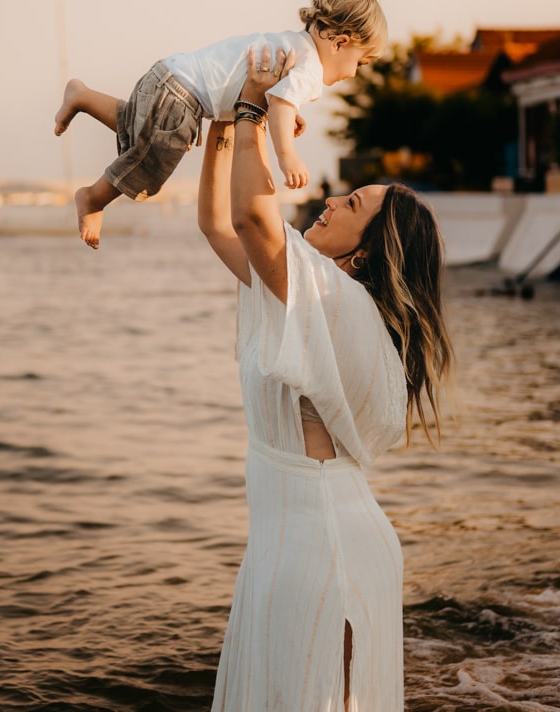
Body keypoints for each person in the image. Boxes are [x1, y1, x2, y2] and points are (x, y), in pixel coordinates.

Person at [197, 46, 454, 711]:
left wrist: (255, 109)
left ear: (365, 250)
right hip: (292, 541)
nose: (333, 201)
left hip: (321, 546)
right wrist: (225, 125)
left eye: (354, 203)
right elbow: (219, 224)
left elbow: (256, 218)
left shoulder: (332, 304)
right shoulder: (303, 298)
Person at [54, 0, 387, 248]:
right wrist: (288, 157)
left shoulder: (293, 44)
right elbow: (283, 103)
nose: (355, 73)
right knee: (149, 169)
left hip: (170, 77)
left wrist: (283, 112)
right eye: (361, 62)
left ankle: (82, 96)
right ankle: (94, 197)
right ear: (340, 43)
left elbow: (277, 100)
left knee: (138, 129)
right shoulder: (311, 67)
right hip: (184, 95)